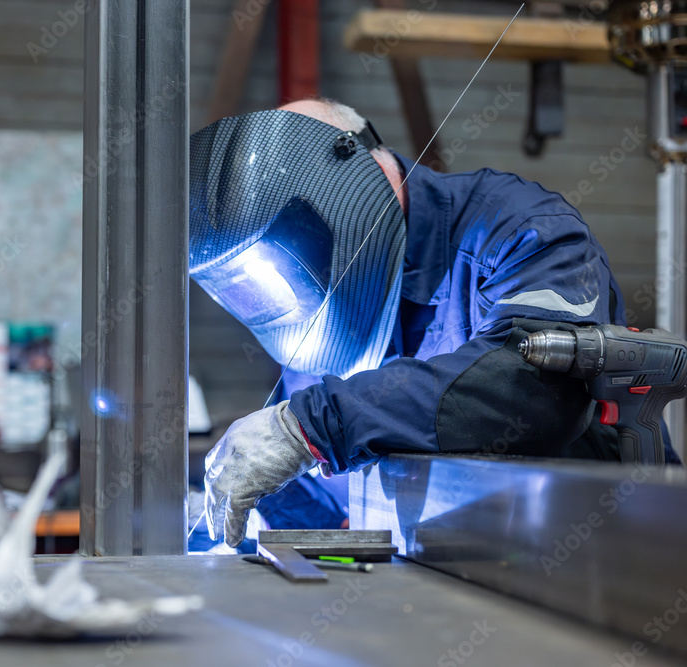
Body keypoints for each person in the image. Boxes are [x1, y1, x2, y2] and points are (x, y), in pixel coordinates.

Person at [189, 99, 670, 549]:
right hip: (433, 583)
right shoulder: (310, 312)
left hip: (596, 560)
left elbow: (535, 389)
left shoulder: (519, 227)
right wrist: (264, 508)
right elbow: (328, 510)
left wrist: (313, 426)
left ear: (361, 171)